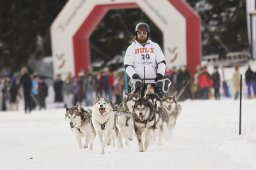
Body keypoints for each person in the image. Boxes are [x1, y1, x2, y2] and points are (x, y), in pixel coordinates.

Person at [123, 22, 167, 96]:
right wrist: (134, 76)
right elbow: (127, 65)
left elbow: (162, 62)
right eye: (139, 32)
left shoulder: (155, 46)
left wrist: (160, 74)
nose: (142, 34)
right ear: (137, 34)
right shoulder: (132, 48)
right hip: (137, 83)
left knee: (157, 103)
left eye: (144, 32)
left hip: (153, 82)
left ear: (147, 34)